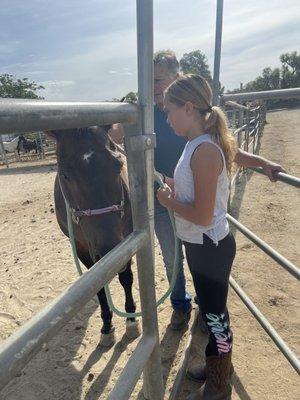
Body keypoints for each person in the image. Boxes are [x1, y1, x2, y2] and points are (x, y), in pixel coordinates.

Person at [108, 50, 285, 331]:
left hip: (188, 205)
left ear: (177, 81)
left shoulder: (190, 120)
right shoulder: (150, 113)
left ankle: (209, 315)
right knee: (172, 258)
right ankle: (183, 306)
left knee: (204, 274)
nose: (153, 89)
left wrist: (260, 163)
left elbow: (226, 148)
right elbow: (113, 134)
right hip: (174, 200)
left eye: (158, 80)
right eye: (148, 82)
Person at [157, 73, 237, 399]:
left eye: (168, 110)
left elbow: (203, 216)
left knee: (216, 316)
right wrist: (177, 191)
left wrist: (168, 202)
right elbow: (198, 197)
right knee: (213, 311)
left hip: (209, 246)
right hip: (203, 246)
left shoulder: (203, 150)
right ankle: (218, 365)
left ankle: (219, 383)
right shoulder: (195, 144)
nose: (166, 117)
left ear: (189, 107)